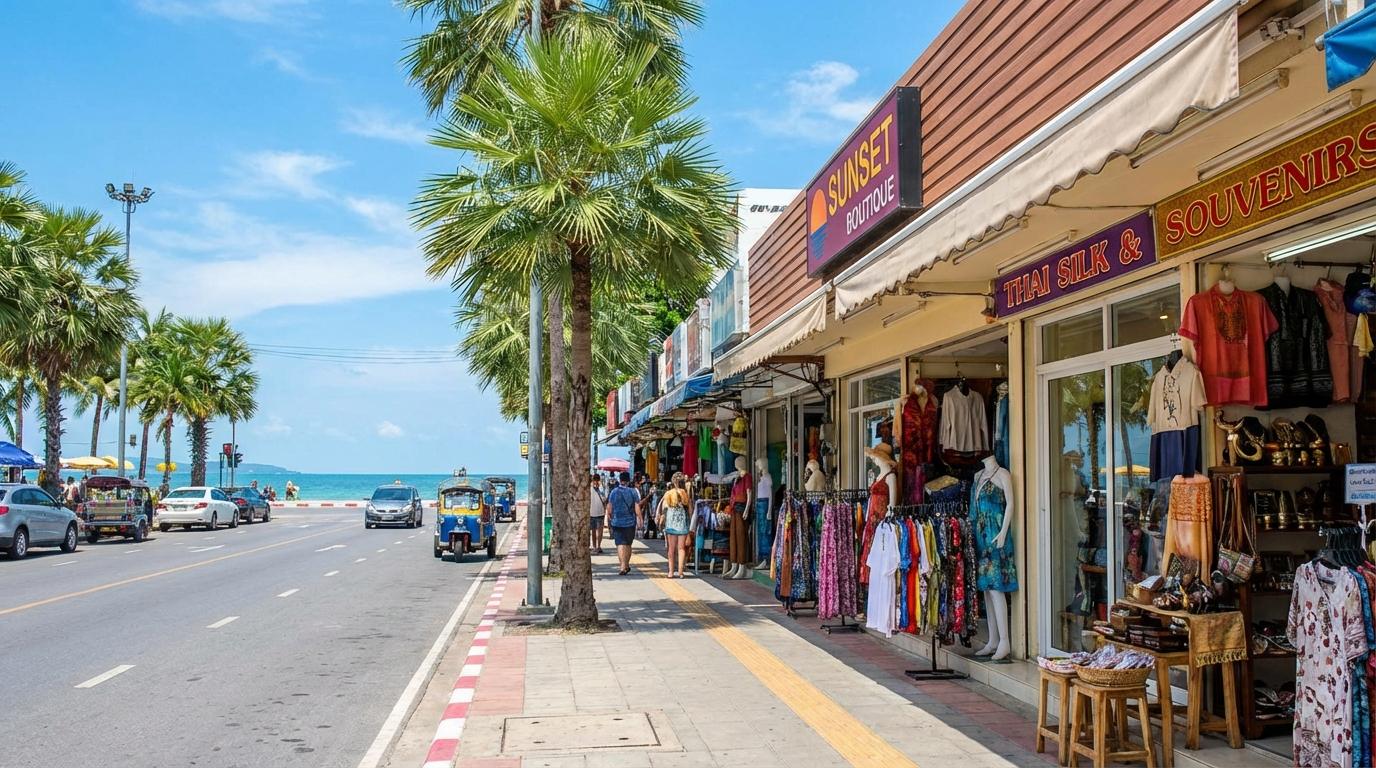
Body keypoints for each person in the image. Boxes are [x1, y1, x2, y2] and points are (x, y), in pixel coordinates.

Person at [658, 473, 692, 578]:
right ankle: (681, 572)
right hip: (682, 523)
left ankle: (671, 572)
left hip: (671, 523)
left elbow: (664, 508)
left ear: (673, 482)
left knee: (671, 549)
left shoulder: (668, 493)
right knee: (681, 548)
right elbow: (690, 510)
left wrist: (660, 520)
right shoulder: (685, 493)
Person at [607, 471, 640, 575]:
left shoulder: (613, 492)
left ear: (620, 480)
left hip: (617, 522)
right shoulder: (633, 492)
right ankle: (626, 565)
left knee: (620, 544)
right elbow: (637, 507)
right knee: (628, 544)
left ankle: (622, 566)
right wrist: (640, 518)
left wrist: (609, 515)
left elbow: (609, 506)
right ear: (628, 480)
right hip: (630, 522)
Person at [589, 475, 607, 555]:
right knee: (593, 531)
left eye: (597, 480)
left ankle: (598, 546)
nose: (596, 482)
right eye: (594, 480)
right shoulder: (589, 489)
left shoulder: (601, 489)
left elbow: (604, 499)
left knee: (599, 531)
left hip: (600, 513)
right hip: (591, 513)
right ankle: (594, 546)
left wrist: (600, 489)